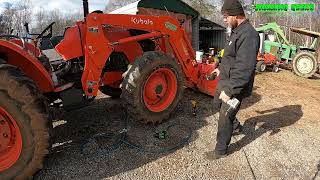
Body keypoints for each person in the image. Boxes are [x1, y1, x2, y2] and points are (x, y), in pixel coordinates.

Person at [206, 0, 260, 159]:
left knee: (225, 117)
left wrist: (230, 91)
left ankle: (220, 150)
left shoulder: (249, 34)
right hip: (225, 80)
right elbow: (229, 55)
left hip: (235, 86)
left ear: (236, 15)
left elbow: (244, 68)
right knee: (216, 104)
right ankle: (235, 125)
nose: (224, 20)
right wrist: (219, 68)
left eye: (225, 16)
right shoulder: (235, 32)